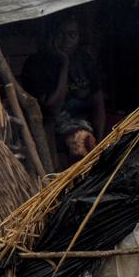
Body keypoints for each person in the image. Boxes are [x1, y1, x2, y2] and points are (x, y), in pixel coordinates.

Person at [20, 18, 106, 168]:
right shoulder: (36, 64)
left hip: (85, 122)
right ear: (51, 36)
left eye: (72, 35)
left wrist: (100, 140)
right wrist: (64, 65)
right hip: (53, 127)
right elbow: (53, 109)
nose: (66, 40)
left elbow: (98, 103)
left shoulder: (84, 60)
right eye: (61, 34)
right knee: (82, 143)